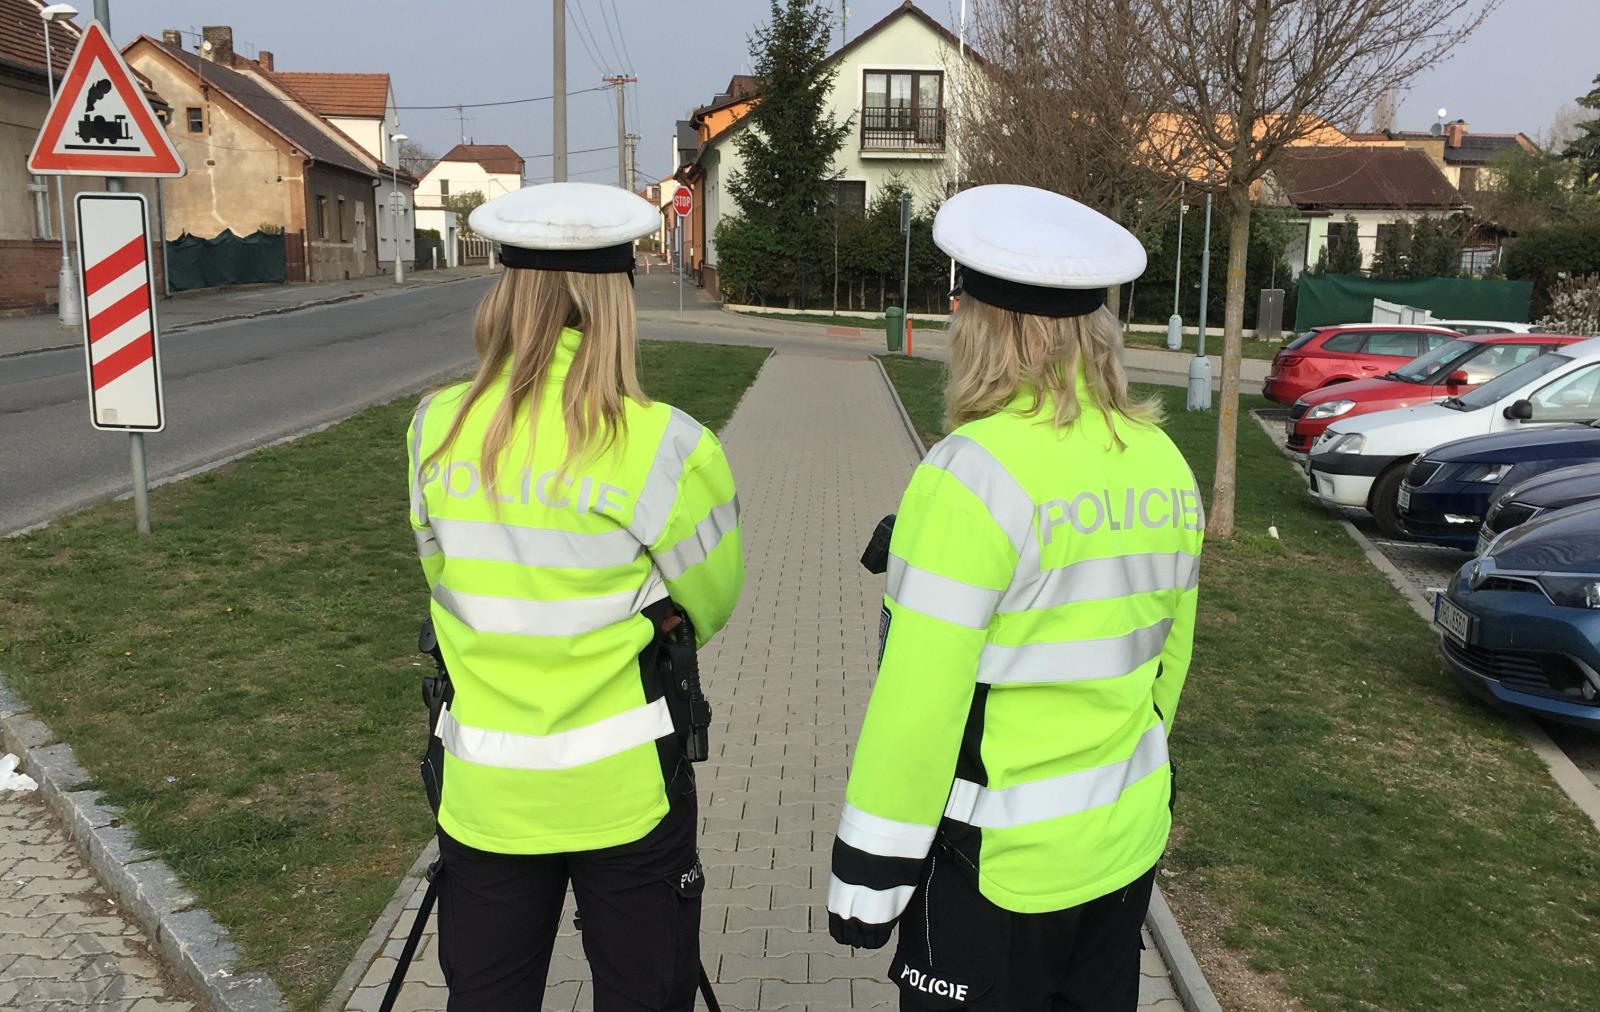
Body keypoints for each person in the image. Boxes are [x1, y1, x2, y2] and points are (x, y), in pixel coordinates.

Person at [826, 183, 1203, 1010]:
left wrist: (871, 870)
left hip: (993, 866)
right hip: (1122, 845)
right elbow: (1168, 659)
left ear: (982, 326)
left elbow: (917, 704)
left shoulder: (970, 474)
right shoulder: (1162, 459)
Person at [405, 182, 743, 1010]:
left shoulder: (435, 428)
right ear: (615, 302)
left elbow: (443, 579)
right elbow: (711, 602)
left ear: (506, 293)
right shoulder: (666, 445)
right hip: (626, 795)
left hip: (485, 794)